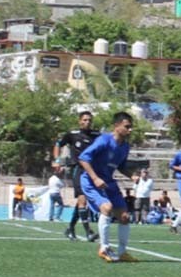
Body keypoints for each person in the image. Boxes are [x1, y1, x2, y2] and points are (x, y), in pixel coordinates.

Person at [79, 111, 137, 263]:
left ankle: (122, 252)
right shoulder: (103, 140)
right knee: (107, 208)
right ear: (117, 126)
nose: (130, 130)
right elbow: (83, 158)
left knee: (124, 217)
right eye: (127, 126)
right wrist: (95, 178)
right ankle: (104, 248)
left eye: (131, 127)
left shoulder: (125, 147)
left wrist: (132, 176)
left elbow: (122, 166)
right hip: (91, 181)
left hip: (108, 182)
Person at [53, 111, 101, 241]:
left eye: (89, 120)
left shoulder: (96, 135)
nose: (87, 122)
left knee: (82, 202)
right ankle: (88, 232)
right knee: (83, 199)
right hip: (78, 170)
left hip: (92, 171)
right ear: (79, 121)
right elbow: (58, 144)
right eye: (85, 120)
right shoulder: (72, 135)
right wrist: (57, 160)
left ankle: (70, 228)